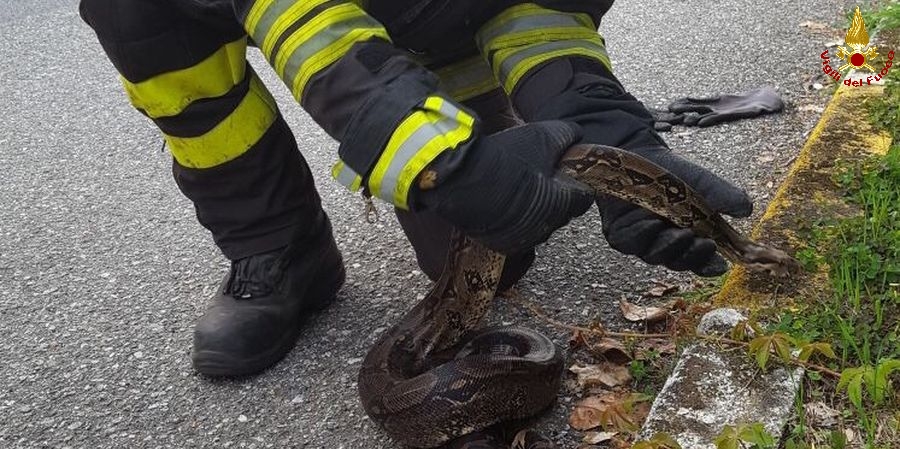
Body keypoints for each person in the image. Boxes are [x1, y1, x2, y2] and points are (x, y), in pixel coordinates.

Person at [79, 0, 752, 377]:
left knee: (494, 253)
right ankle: (275, 244)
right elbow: (302, 21)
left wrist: (608, 125)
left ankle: (476, 121)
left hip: (430, 21)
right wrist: (437, 164)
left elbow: (541, 9)